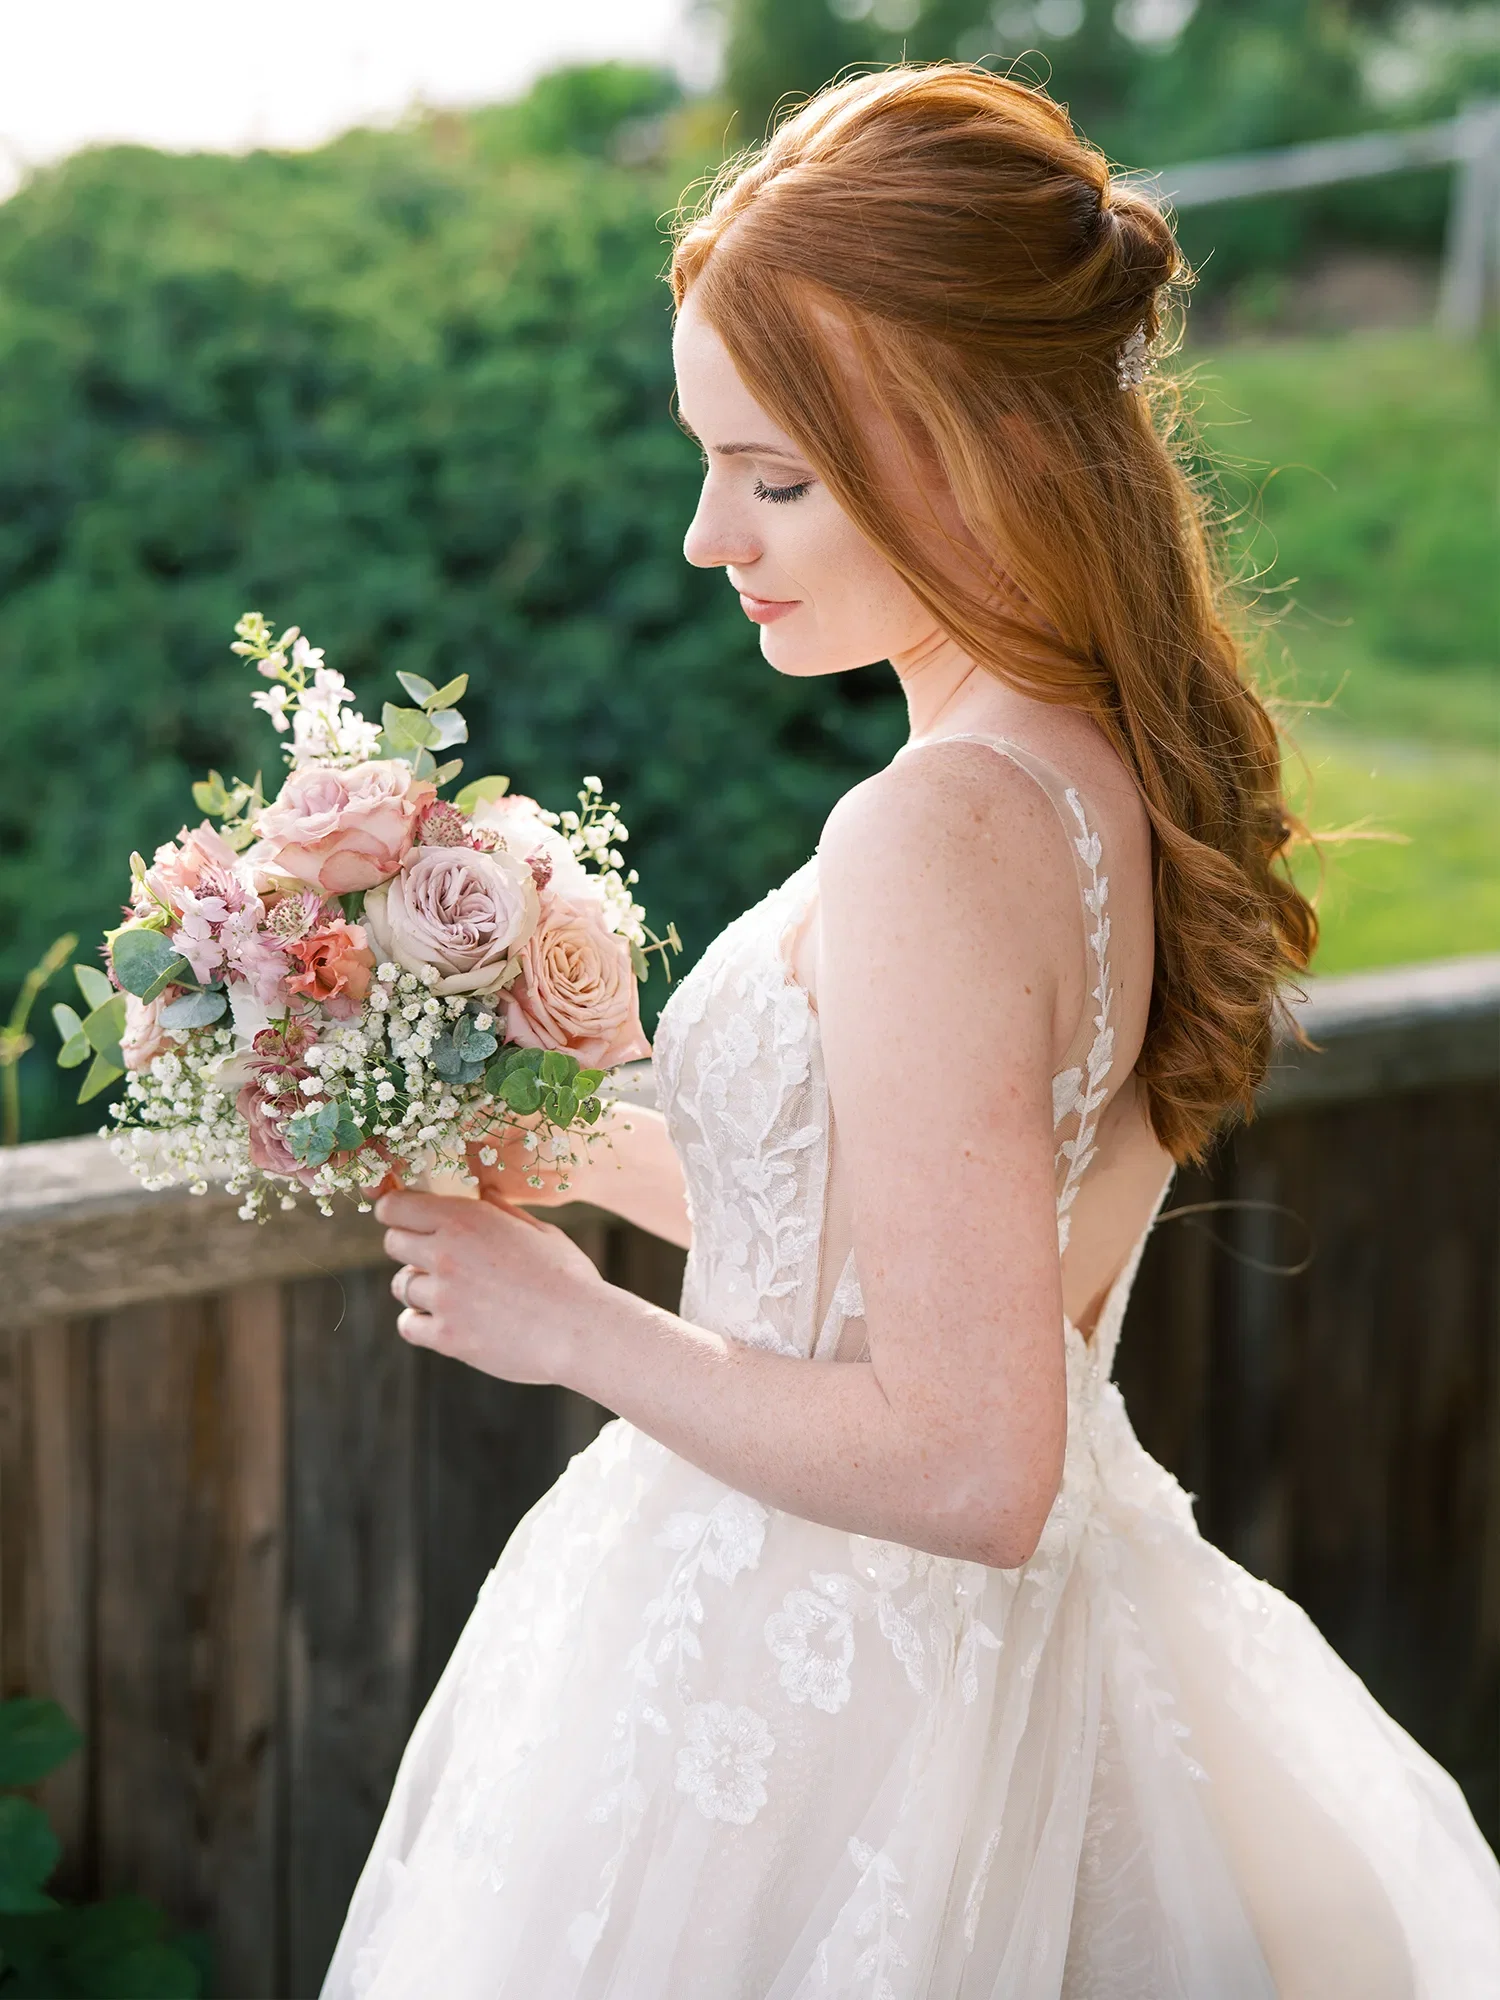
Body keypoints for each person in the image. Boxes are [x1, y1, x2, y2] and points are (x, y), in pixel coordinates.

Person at [322, 65, 1499, 1999]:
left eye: (772, 476)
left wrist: (572, 1327)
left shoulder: (937, 831)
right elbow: (903, 1264)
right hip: (957, 1658)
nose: (712, 538)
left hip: (833, 1688)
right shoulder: (1076, 770)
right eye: (712, 463)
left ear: (978, 449)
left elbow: (974, 1458)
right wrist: (572, 1149)